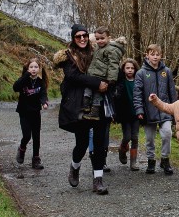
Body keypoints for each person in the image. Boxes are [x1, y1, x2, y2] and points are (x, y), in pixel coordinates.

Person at [53, 24, 111, 195]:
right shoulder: (68, 57)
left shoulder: (97, 52)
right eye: (78, 36)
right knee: (82, 143)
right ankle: (75, 166)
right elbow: (73, 76)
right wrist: (96, 83)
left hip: (98, 103)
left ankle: (98, 180)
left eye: (84, 35)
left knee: (100, 142)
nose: (82, 39)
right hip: (79, 105)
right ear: (73, 38)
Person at [133, 43, 177, 175]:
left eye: (158, 54)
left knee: (167, 133)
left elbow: (172, 92)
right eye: (153, 54)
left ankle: (165, 159)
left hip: (165, 110)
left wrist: (175, 109)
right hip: (148, 111)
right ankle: (150, 160)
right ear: (147, 55)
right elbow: (137, 93)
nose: (155, 57)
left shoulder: (167, 71)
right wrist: (139, 110)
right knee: (149, 138)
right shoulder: (141, 73)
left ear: (161, 56)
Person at [13, 58, 49, 170]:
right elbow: (15, 87)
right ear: (28, 68)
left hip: (35, 112)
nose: (33, 69)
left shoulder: (40, 82)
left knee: (36, 136)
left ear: (39, 69)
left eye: (36, 67)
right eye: (31, 67)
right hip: (24, 111)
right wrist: (25, 75)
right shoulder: (24, 80)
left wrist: (44, 103)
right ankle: (22, 148)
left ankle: (36, 159)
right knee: (27, 135)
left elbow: (43, 94)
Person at [82, 27, 125, 120]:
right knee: (88, 89)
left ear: (109, 38)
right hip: (93, 74)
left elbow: (113, 65)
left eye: (102, 38)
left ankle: (94, 112)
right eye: (97, 39)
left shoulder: (112, 50)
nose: (99, 41)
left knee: (97, 94)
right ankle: (85, 106)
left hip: (102, 76)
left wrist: (111, 80)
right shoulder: (98, 47)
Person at [114, 58, 141, 170]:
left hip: (136, 113)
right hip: (125, 114)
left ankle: (133, 163)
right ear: (123, 69)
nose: (130, 70)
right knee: (127, 137)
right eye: (127, 68)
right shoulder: (120, 82)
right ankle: (122, 148)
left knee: (134, 137)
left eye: (132, 68)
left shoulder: (138, 81)